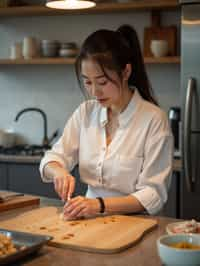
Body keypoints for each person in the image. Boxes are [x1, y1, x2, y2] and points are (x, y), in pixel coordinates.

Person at [39, 25, 173, 220]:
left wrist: (99, 205)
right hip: (88, 219)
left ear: (126, 71)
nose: (94, 92)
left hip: (137, 223)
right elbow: (51, 158)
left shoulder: (153, 120)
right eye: (87, 82)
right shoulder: (86, 112)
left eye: (102, 82)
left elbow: (153, 194)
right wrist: (58, 172)